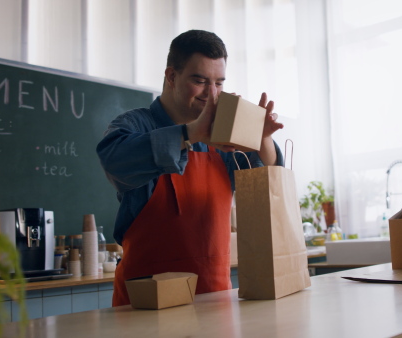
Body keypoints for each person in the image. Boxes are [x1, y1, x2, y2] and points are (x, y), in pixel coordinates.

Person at [96, 30, 284, 306]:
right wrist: (191, 133)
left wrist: (262, 138)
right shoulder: (134, 125)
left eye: (219, 83)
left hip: (215, 299)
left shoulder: (224, 135)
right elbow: (114, 161)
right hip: (147, 305)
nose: (212, 94)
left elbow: (265, 181)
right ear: (171, 77)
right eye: (200, 81)